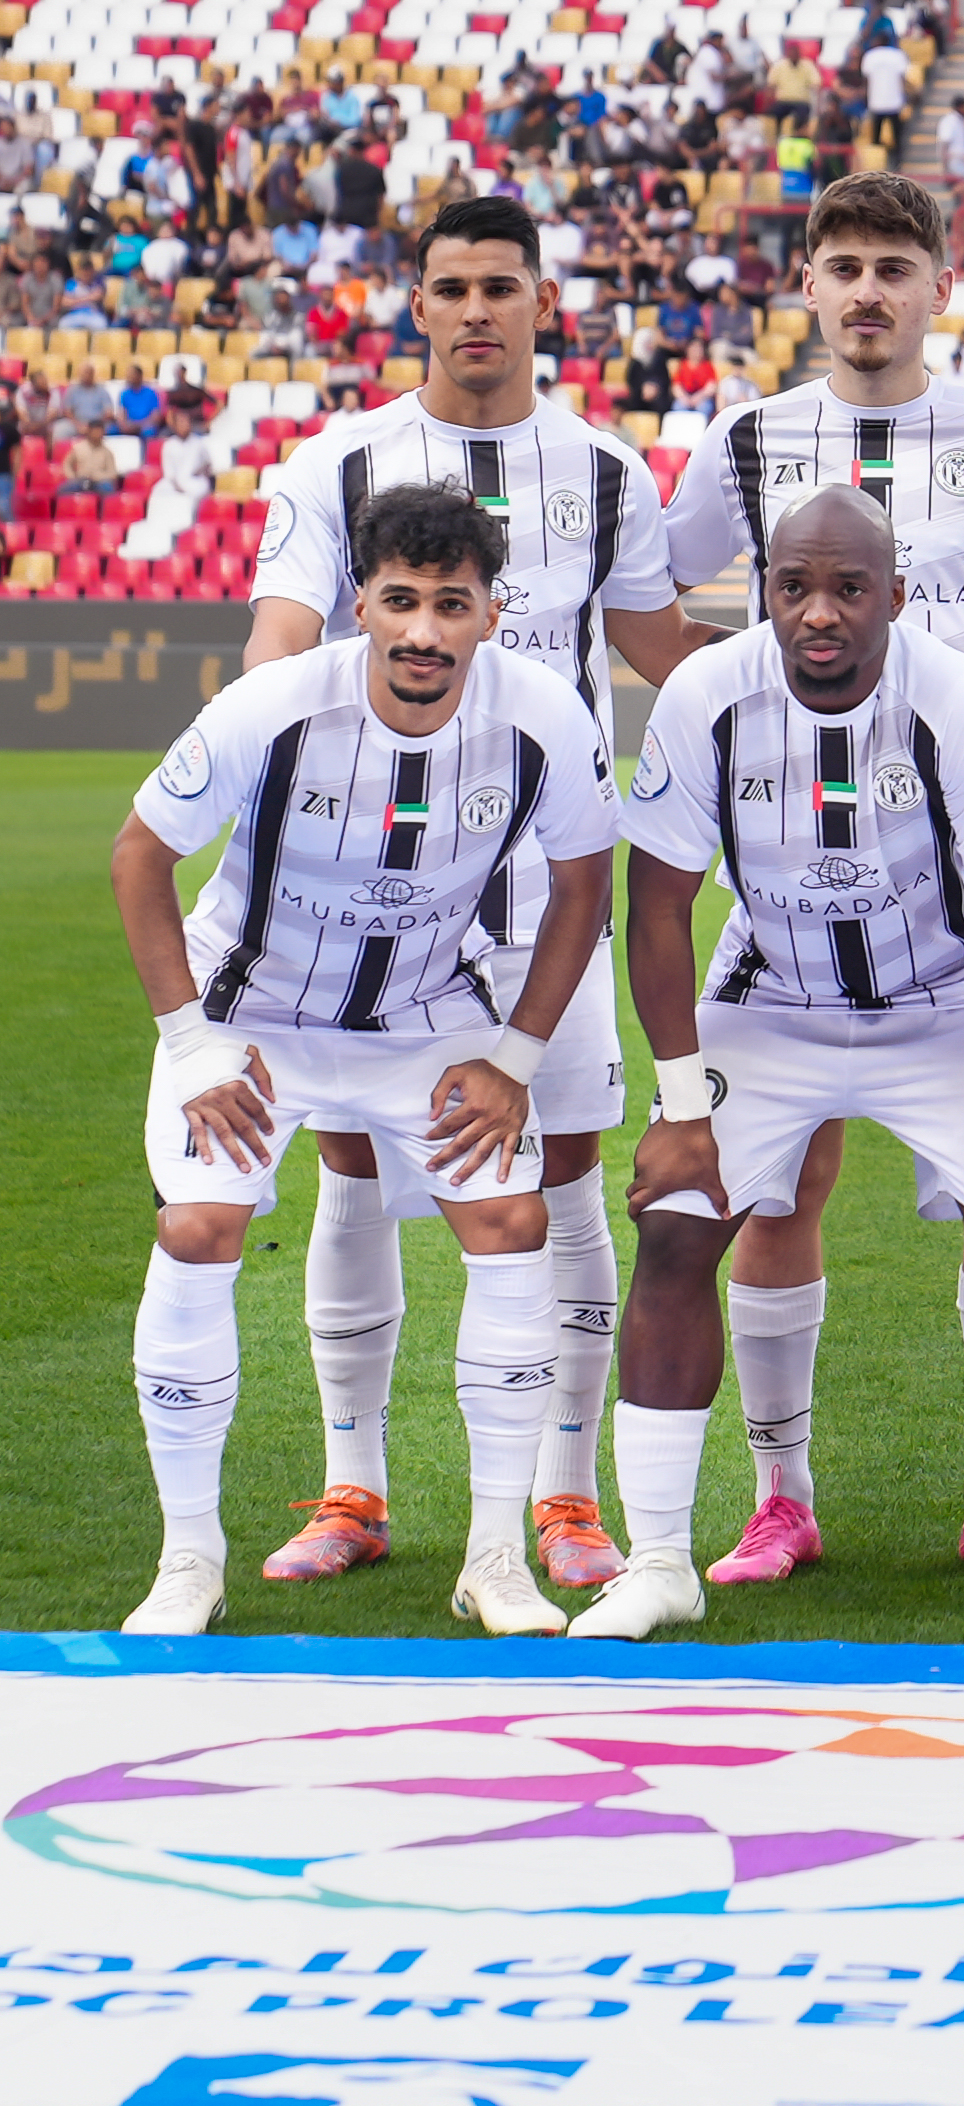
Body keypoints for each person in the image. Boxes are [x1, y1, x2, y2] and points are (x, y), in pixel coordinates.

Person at [244, 196, 721, 1595]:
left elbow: (652, 648)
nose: (474, 310)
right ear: (418, 304)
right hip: (366, 888)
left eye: (499, 286)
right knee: (352, 1168)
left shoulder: (607, 468)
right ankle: (356, 1486)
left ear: (540, 301)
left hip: (541, 888)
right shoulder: (339, 463)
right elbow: (284, 637)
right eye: (449, 286)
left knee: (564, 1177)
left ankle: (566, 1501)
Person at [575, 486, 964, 1646]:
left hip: (944, 997)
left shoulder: (950, 695)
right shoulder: (707, 692)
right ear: (761, 589)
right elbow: (654, 912)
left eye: (848, 588)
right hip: (774, 1000)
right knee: (674, 1218)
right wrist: (683, 1106)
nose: (818, 612)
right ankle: (663, 1558)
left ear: (896, 598)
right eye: (793, 585)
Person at [108, 483, 621, 1636]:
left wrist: (516, 1059)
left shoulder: (543, 714)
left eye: (452, 603)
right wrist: (190, 1045)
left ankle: (497, 1557)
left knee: (511, 1220)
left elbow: (585, 882)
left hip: (424, 1014)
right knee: (199, 1225)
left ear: (495, 612)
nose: (425, 631)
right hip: (253, 1016)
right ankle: (188, 1561)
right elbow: (141, 855)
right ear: (360, 606)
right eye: (401, 601)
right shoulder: (275, 705)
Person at [659, 168, 964, 1589]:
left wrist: (956, 731)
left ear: (939, 283)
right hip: (786, 876)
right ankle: (781, 1497)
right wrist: (737, 719)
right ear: (811, 287)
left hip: (950, 875)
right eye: (842, 266)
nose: (868, 291)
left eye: (895, 265)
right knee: (779, 1193)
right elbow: (647, 600)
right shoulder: (750, 439)